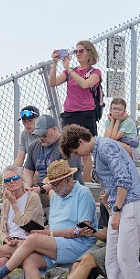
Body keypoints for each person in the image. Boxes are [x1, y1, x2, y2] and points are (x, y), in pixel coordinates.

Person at [60, 124, 140, 279]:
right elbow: (110, 179)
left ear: (81, 142)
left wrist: (116, 210)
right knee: (112, 261)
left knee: (127, 259)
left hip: (131, 204)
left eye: (76, 151)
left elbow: (124, 179)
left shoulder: (106, 146)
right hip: (122, 204)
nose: (78, 155)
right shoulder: (98, 151)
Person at [35, 196, 110, 279]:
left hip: (125, 245)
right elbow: (106, 235)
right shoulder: (104, 204)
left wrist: (108, 206)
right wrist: (92, 233)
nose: (104, 193)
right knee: (77, 264)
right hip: (109, 244)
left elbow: (120, 227)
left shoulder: (121, 202)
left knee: (88, 259)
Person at [48, 40, 102, 178]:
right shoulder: (69, 72)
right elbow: (52, 82)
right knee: (69, 150)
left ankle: (87, 181)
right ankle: (70, 179)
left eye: (81, 51)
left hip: (86, 114)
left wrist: (70, 70)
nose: (78, 54)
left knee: (85, 152)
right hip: (70, 114)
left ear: (89, 52)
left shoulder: (95, 72)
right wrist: (55, 63)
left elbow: (85, 84)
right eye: (76, 51)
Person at [23, 114, 83, 200]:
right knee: (17, 193)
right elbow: (28, 171)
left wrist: (43, 189)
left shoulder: (67, 144)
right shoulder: (34, 146)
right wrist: (26, 188)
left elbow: (68, 177)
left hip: (65, 189)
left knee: (52, 194)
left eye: (44, 135)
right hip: (41, 188)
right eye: (38, 135)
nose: (41, 138)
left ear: (55, 129)